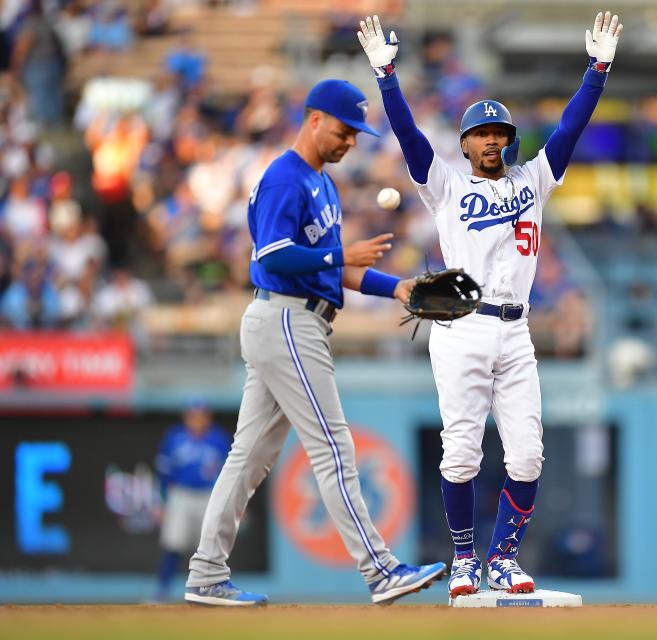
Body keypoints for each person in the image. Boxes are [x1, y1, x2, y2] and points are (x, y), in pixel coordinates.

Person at [358, 11, 623, 597]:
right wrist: (387, 77)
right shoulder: (445, 184)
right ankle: (462, 561)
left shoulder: (533, 180)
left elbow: (571, 130)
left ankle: (502, 558)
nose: (491, 140)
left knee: (528, 454)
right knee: (461, 454)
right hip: (460, 327)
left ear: (509, 140)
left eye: (499, 133)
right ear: (466, 143)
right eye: (481, 133)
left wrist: (596, 72)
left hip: (517, 330)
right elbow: (406, 135)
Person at [184, 78, 446, 607]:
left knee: (248, 457)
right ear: (314, 119)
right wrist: (340, 256)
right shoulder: (285, 179)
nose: (351, 141)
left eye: (357, 134)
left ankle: (206, 573)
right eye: (345, 130)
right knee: (332, 447)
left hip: (291, 318)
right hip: (286, 320)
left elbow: (334, 270)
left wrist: (394, 286)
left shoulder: (321, 184)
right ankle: (380, 570)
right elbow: (272, 257)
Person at [155, 398, 231, 602]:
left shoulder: (219, 439)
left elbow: (229, 475)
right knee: (173, 543)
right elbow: (164, 474)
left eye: (201, 415)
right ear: (186, 417)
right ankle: (163, 591)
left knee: (212, 547)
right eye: (193, 415)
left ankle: (214, 589)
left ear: (208, 417)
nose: (197, 419)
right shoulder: (175, 438)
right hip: (181, 495)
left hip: (209, 497)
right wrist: (162, 502)